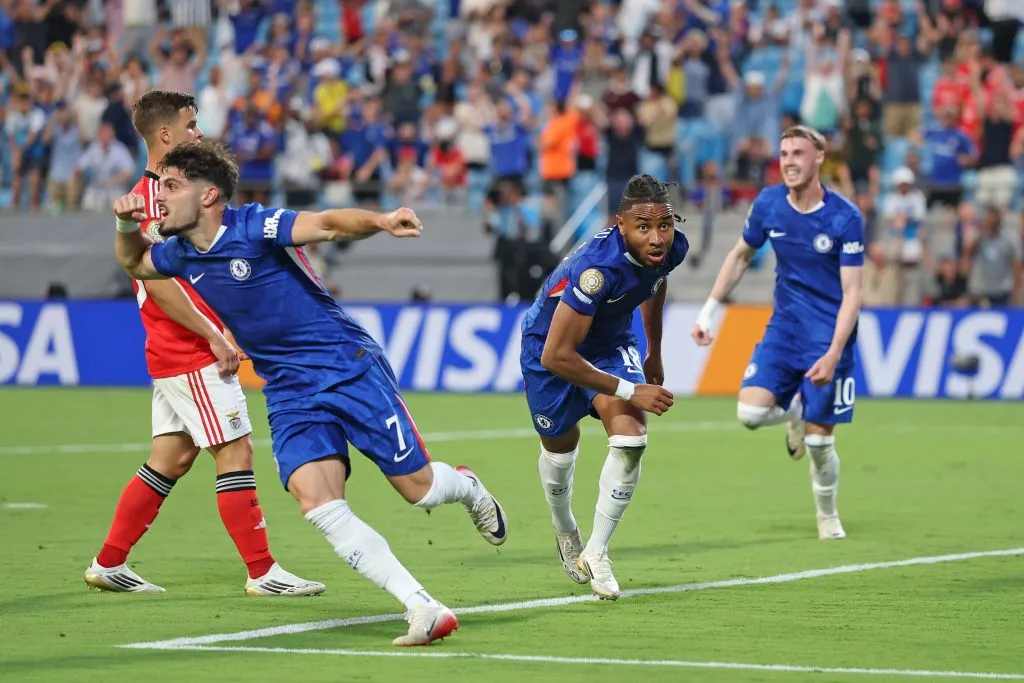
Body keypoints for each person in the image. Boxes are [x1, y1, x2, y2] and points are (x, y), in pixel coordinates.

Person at [111, 140, 508, 647]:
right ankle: (423, 607)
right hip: (289, 388)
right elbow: (135, 264)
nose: (157, 197)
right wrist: (125, 225)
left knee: (420, 490)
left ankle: (468, 487)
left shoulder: (253, 226)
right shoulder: (180, 251)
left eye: (170, 186)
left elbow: (326, 224)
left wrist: (382, 220)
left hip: (345, 366)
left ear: (209, 195)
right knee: (316, 501)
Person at [85, 91, 323, 597]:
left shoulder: (165, 193)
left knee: (169, 460)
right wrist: (214, 335)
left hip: (173, 351)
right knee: (235, 451)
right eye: (191, 125)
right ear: (165, 135)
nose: (199, 132)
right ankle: (262, 572)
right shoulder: (154, 201)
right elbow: (161, 284)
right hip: (189, 350)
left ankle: (108, 563)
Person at [691, 125, 865, 540]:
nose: (789, 161)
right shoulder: (768, 203)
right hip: (784, 330)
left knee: (822, 447)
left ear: (819, 157)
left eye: (798, 153)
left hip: (829, 338)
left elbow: (853, 291)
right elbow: (740, 255)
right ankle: (798, 413)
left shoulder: (845, 217)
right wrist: (708, 311)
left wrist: (835, 351)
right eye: (784, 153)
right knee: (749, 414)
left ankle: (827, 516)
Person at [519, 174, 685, 600]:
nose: (657, 238)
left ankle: (596, 550)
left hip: (610, 342)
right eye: (643, 227)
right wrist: (632, 391)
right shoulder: (596, 269)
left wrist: (654, 351)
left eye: (664, 225)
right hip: (549, 347)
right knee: (559, 449)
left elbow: (655, 283)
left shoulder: (671, 248)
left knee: (632, 439)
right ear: (620, 225)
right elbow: (558, 355)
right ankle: (564, 527)